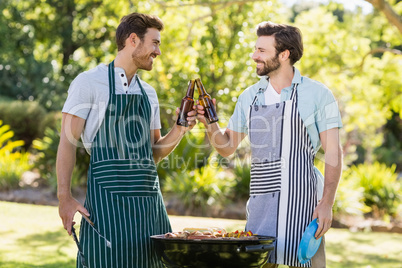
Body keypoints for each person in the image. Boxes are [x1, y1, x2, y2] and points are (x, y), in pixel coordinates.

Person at [196, 21, 343, 268]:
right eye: (256, 49)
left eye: (262, 51)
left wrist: (326, 203)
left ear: (284, 54)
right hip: (261, 208)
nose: (254, 56)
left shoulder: (318, 95)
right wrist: (209, 124)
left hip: (305, 208)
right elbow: (227, 146)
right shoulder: (249, 97)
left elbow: (334, 154)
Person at [56, 12, 196, 268]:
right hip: (107, 211)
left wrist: (179, 129)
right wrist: (64, 197)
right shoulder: (89, 83)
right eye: (155, 43)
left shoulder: (148, 93)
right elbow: (67, 142)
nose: (158, 51)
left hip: (149, 212)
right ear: (133, 39)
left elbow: (153, 153)